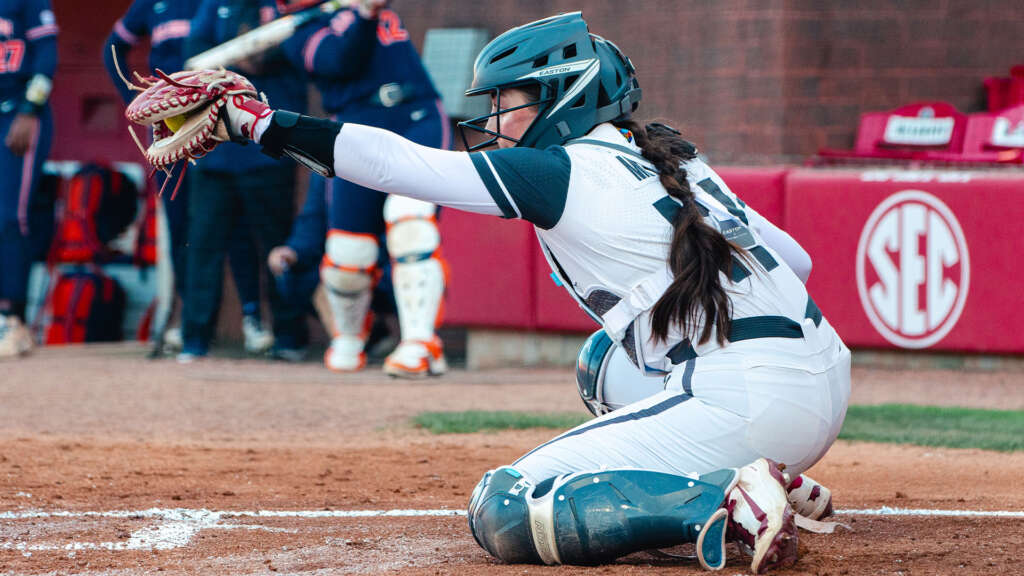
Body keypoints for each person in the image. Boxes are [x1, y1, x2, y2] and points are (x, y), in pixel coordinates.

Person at [145, 11, 853, 573]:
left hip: (749, 396)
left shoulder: (558, 169)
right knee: (602, 364)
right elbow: (797, 261)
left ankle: (722, 498)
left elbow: (401, 164)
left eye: (510, 102)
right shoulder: (672, 156)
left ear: (561, 95)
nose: (496, 119)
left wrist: (259, 124)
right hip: (820, 377)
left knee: (505, 509)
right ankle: (759, 474)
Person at [270, 0, 451, 376]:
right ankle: (350, 336)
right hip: (354, 129)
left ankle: (421, 342)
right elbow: (338, 59)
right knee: (348, 250)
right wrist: (363, 14)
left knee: (409, 222)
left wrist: (363, 9)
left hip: (414, 115)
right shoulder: (294, 31)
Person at [104, 0, 274, 357]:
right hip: (170, 127)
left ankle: (251, 314)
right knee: (182, 227)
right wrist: (138, 103)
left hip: (215, 125)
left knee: (233, 224)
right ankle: (188, 320)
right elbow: (113, 49)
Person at [175, 0, 308, 361]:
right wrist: (237, 58)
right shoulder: (215, 5)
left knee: (276, 243)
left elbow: (298, 50)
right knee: (203, 245)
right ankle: (196, 339)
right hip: (216, 146)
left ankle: (289, 337)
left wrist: (259, 55)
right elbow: (194, 55)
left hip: (269, 143)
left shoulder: (284, 5)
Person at [0, 0, 56, 358]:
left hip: (18, 115)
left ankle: (12, 319)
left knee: (9, 215)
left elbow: (47, 59)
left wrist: (30, 109)